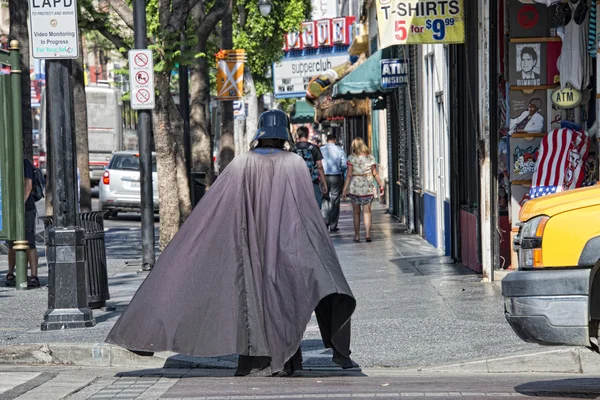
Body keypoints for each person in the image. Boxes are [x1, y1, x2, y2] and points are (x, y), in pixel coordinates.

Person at [106, 109, 357, 377]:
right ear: (284, 135)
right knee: (285, 300)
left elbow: (218, 204)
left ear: (259, 133)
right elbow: (306, 211)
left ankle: (257, 361)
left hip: (248, 246)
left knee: (252, 301)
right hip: (285, 246)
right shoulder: (294, 163)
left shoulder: (241, 163)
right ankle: (286, 361)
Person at [6, 158, 40, 288]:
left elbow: (28, 186)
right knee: (12, 241)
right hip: (13, 208)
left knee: (30, 242)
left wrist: (20, 205)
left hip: (26, 208)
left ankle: (33, 275)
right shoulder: (8, 163)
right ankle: (10, 273)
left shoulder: (24, 163)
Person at [342, 138, 384, 243]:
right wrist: (381, 185)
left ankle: (356, 236)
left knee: (356, 213)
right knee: (367, 212)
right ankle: (367, 234)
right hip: (367, 187)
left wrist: (344, 189)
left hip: (354, 187)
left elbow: (349, 175)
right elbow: (375, 173)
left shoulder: (351, 158)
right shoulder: (370, 158)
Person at [294, 126, 328, 208]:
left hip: (297, 183)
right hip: (313, 182)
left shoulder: (293, 149)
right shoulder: (314, 148)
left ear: (298, 135)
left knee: (300, 207)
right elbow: (319, 167)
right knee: (315, 206)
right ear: (307, 135)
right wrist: (324, 182)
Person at [320, 134, 347, 233]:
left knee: (325, 198)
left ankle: (325, 221)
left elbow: (318, 164)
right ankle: (333, 225)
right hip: (336, 177)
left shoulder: (321, 149)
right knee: (335, 201)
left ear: (327, 140)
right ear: (334, 140)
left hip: (324, 177)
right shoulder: (340, 150)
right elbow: (344, 165)